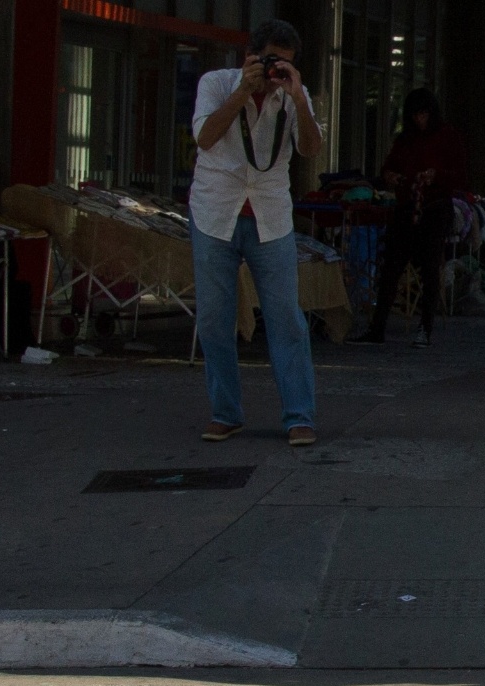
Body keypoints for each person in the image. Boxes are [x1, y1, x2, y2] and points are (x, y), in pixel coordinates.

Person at [189, 19, 324, 446]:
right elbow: (206, 137)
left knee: (286, 318)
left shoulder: (291, 96)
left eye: (283, 64)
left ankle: (299, 415)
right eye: (269, 62)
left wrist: (297, 95)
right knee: (214, 318)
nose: (275, 72)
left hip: (270, 217)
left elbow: (311, 150)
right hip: (215, 212)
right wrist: (243, 91)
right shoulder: (217, 82)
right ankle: (225, 412)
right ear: (249, 56)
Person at [358, 88, 467, 348]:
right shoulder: (405, 139)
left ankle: (425, 328)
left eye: (424, 114)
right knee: (391, 267)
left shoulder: (447, 137)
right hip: (407, 207)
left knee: (430, 269)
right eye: (416, 115)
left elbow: (460, 175)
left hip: (435, 208)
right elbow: (389, 166)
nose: (420, 120)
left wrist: (436, 176)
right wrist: (391, 176)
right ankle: (377, 327)